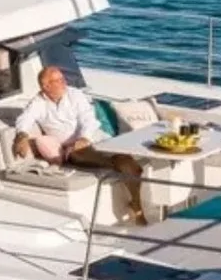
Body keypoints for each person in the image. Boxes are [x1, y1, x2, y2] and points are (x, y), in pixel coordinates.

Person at [12, 64, 144, 224]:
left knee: (130, 163)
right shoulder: (38, 103)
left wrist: (84, 138)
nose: (64, 82)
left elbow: (88, 119)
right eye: (58, 80)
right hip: (74, 150)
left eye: (63, 78)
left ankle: (136, 203)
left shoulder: (75, 94)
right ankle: (121, 173)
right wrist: (22, 135)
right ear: (46, 86)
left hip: (95, 137)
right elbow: (24, 119)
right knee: (119, 161)